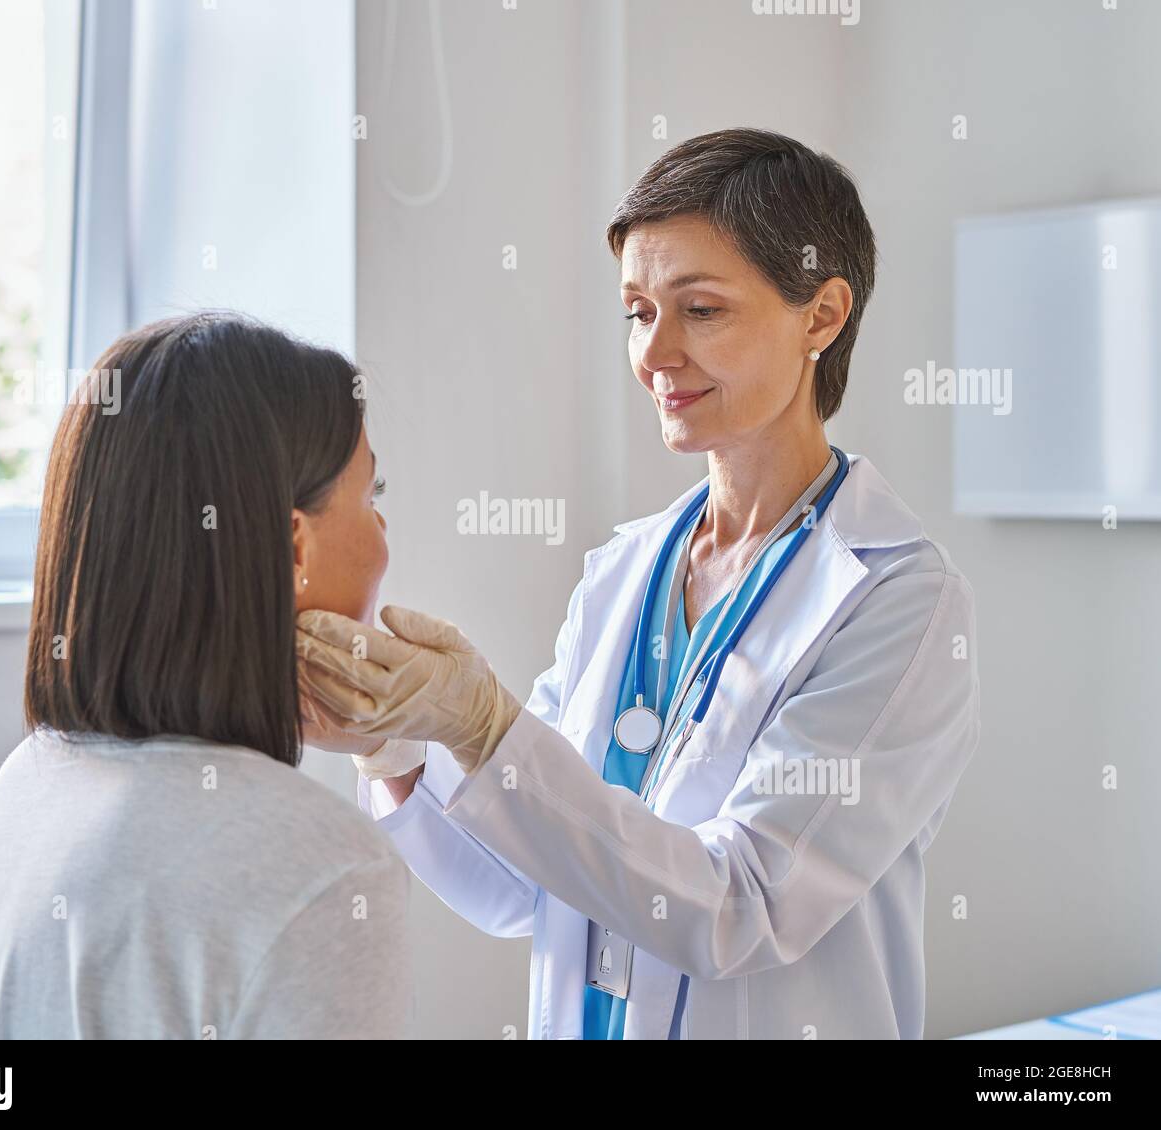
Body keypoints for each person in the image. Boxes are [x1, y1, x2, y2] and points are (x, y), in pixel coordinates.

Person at [297, 128, 982, 1040]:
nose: (656, 353)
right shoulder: (625, 572)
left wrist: (491, 729)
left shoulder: (899, 602)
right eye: (635, 311)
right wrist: (395, 752)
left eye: (699, 310)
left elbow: (742, 907)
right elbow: (522, 886)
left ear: (821, 315)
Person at [0, 312, 412, 1039]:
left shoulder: (27, 788)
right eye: (372, 498)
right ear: (292, 547)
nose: (382, 537)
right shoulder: (323, 868)